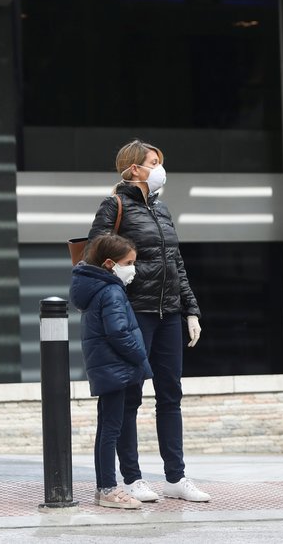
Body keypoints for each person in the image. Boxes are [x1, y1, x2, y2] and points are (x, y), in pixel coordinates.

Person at [87, 139, 210, 503]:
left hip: (168, 313)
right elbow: (98, 255)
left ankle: (176, 477)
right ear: (133, 169)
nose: (159, 168)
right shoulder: (114, 205)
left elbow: (176, 263)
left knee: (170, 395)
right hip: (133, 312)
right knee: (130, 398)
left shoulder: (162, 209)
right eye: (153, 162)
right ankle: (132, 478)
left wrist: (191, 309)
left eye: (159, 161)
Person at [70, 233, 155, 509]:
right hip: (116, 370)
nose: (133, 268)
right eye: (129, 262)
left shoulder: (96, 288)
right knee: (111, 430)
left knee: (106, 429)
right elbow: (118, 332)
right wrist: (140, 355)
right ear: (109, 263)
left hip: (107, 369)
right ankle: (108, 489)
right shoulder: (112, 290)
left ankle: (103, 488)